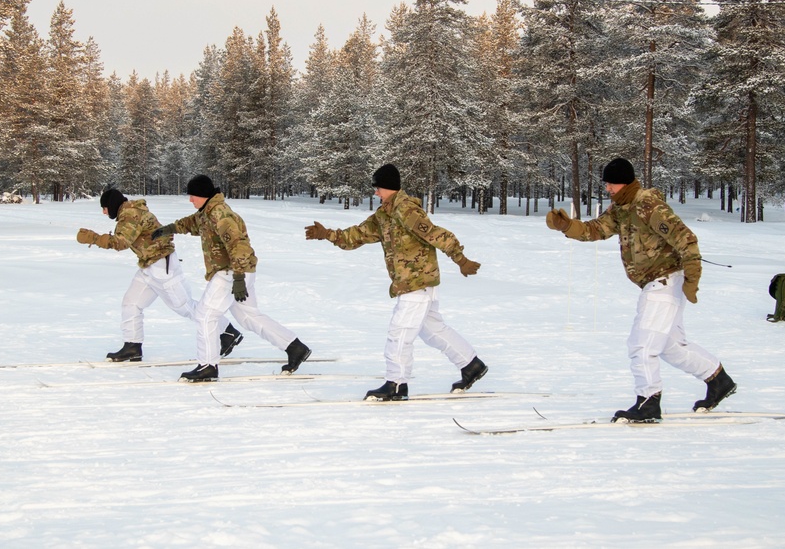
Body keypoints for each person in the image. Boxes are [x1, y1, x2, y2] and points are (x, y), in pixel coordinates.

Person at [545, 158, 737, 423]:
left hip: (664, 281)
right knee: (671, 347)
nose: (608, 189)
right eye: (607, 184)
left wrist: (693, 276)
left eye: (611, 183)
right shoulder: (620, 208)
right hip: (656, 283)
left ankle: (648, 401)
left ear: (624, 181)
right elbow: (597, 229)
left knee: (642, 345)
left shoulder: (648, 204)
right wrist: (567, 226)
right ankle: (718, 379)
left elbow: (685, 237)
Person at [305, 163, 486, 401]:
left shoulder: (406, 210)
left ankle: (397, 384)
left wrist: (461, 259)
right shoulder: (384, 215)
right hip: (414, 284)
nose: (375, 192)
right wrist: (327, 233)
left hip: (416, 283)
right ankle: (471, 365)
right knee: (432, 330)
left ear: (389, 187)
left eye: (378, 187)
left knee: (399, 332)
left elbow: (437, 234)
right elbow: (356, 236)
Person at [152, 175, 311, 381]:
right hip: (238, 271)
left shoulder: (221, 215)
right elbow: (192, 223)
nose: (190, 200)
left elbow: (239, 246)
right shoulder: (207, 212)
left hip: (232, 271)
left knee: (205, 315)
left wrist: (238, 278)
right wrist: (169, 229)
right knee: (248, 316)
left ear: (203, 195)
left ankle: (208, 365)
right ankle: (294, 347)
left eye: (193, 195)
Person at [77, 188, 242, 362]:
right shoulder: (129, 212)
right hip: (149, 266)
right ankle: (132, 346)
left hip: (162, 265)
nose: (104, 212)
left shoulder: (131, 214)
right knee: (131, 303)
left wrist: (93, 238)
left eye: (104, 208)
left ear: (111, 205)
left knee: (185, 306)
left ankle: (227, 332)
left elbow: (120, 242)